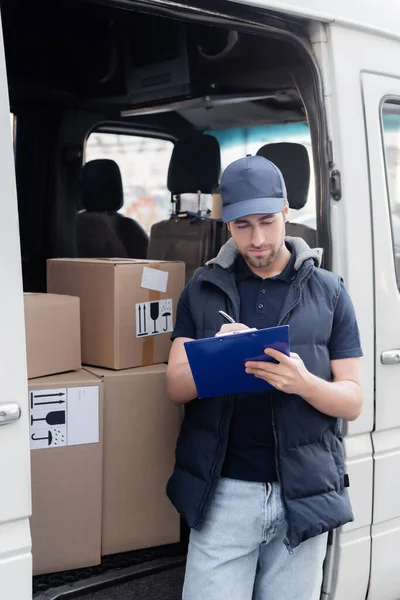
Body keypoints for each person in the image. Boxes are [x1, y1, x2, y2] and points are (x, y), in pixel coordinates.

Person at [166, 155, 363, 600]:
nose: (257, 239)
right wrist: (218, 353)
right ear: (226, 225)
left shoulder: (329, 291)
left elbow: (352, 400)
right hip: (225, 494)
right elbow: (175, 387)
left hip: (304, 492)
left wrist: (302, 382)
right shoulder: (202, 289)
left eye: (267, 222)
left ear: (287, 212)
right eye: (242, 226)